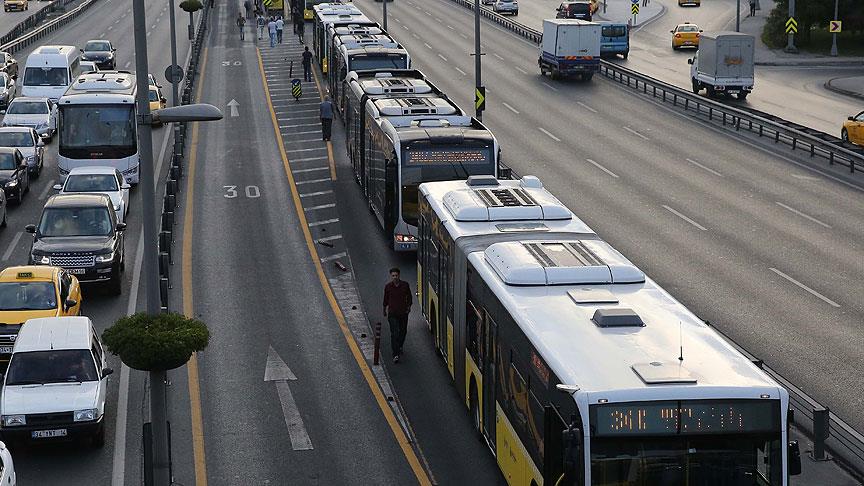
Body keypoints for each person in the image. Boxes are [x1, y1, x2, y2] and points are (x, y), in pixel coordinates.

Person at [383, 267, 412, 363]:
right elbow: (385, 299)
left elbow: (410, 297)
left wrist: (408, 307)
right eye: (393, 276)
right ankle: (395, 354)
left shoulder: (405, 285)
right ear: (391, 276)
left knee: (403, 332)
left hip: (403, 313)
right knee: (394, 333)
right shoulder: (388, 287)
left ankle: (399, 345)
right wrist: (384, 309)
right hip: (392, 314)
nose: (395, 277)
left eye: (396, 275)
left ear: (399, 275)